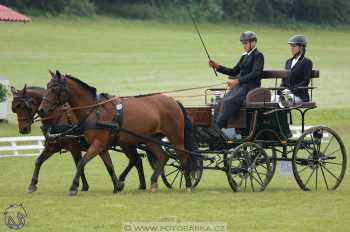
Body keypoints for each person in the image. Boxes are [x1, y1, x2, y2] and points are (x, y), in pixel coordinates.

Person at [209, 31, 264, 129]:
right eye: (243, 43)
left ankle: (219, 125)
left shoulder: (258, 55)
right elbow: (234, 71)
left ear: (254, 42)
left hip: (251, 87)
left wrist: (238, 81)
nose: (244, 45)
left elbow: (256, 73)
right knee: (221, 101)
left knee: (229, 101)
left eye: (246, 43)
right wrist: (217, 66)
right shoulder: (244, 56)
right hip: (241, 87)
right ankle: (214, 125)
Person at [272, 35, 313, 104]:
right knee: (272, 98)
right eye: (291, 46)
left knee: (281, 101)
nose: (291, 48)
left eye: (294, 46)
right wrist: (281, 90)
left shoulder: (306, 62)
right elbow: (284, 80)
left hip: (299, 95)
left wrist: (291, 90)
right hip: (287, 94)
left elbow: (306, 81)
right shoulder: (288, 62)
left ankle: (286, 115)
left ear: (301, 47)